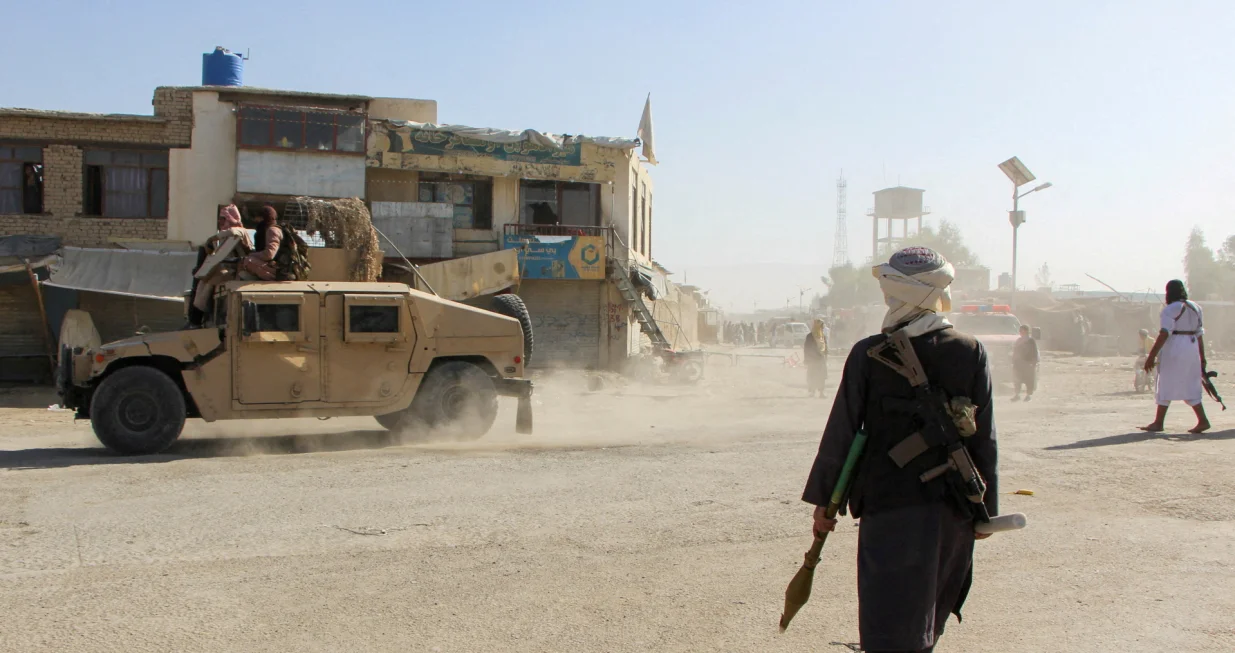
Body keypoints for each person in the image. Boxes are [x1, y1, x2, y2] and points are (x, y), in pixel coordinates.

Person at [802, 247, 998, 653]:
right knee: (928, 616)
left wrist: (825, 502)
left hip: (889, 505)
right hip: (953, 507)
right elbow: (985, 440)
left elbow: (841, 430)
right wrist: (985, 511)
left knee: (886, 623)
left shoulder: (868, 353)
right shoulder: (969, 351)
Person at [1141, 279, 1210, 434]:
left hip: (1175, 348)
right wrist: (1202, 357)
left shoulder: (1170, 309)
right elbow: (1199, 335)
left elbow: (1164, 332)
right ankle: (1202, 420)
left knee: (1165, 381)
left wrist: (1151, 355)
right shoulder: (1196, 307)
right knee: (1191, 383)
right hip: (1192, 348)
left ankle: (1159, 423)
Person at [188, 205, 254, 326]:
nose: (220, 221)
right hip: (226, 267)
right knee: (202, 282)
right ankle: (196, 318)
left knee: (210, 283)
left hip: (236, 269)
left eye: (223, 218)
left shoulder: (240, 231)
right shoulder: (225, 236)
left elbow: (233, 232)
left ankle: (198, 319)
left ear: (230, 218)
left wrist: (213, 238)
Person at [242, 206, 283, 281]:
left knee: (248, 261)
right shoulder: (266, 229)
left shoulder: (272, 230)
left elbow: (269, 254)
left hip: (277, 268)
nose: (256, 220)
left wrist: (251, 254)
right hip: (271, 265)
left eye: (258, 217)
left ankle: (273, 278)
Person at [1011, 324, 1039, 402]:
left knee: (1029, 380)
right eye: (1020, 331)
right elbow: (1015, 351)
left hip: (1028, 363)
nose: (1020, 332)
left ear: (1026, 331)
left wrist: (1033, 363)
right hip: (1018, 364)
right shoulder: (1018, 340)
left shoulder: (1031, 341)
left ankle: (1028, 395)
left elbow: (1034, 352)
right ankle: (1017, 395)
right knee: (1017, 379)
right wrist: (1013, 361)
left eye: (1022, 330)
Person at [803, 318, 828, 398]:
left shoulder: (823, 336)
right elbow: (807, 348)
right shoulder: (810, 336)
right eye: (821, 326)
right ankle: (812, 392)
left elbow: (825, 347)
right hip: (813, 360)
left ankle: (821, 392)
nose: (822, 327)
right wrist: (807, 359)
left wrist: (826, 355)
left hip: (821, 359)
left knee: (821, 376)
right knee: (812, 375)